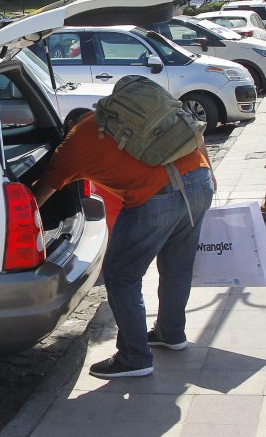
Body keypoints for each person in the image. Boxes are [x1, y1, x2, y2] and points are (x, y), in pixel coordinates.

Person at [32, 93, 215, 379]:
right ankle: (171, 333)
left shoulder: (74, 143)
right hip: (200, 180)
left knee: (121, 275)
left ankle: (134, 357)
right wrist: (210, 175)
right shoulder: (129, 118)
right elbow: (194, 130)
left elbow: (42, 193)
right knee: (177, 265)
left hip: (155, 197)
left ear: (69, 126)